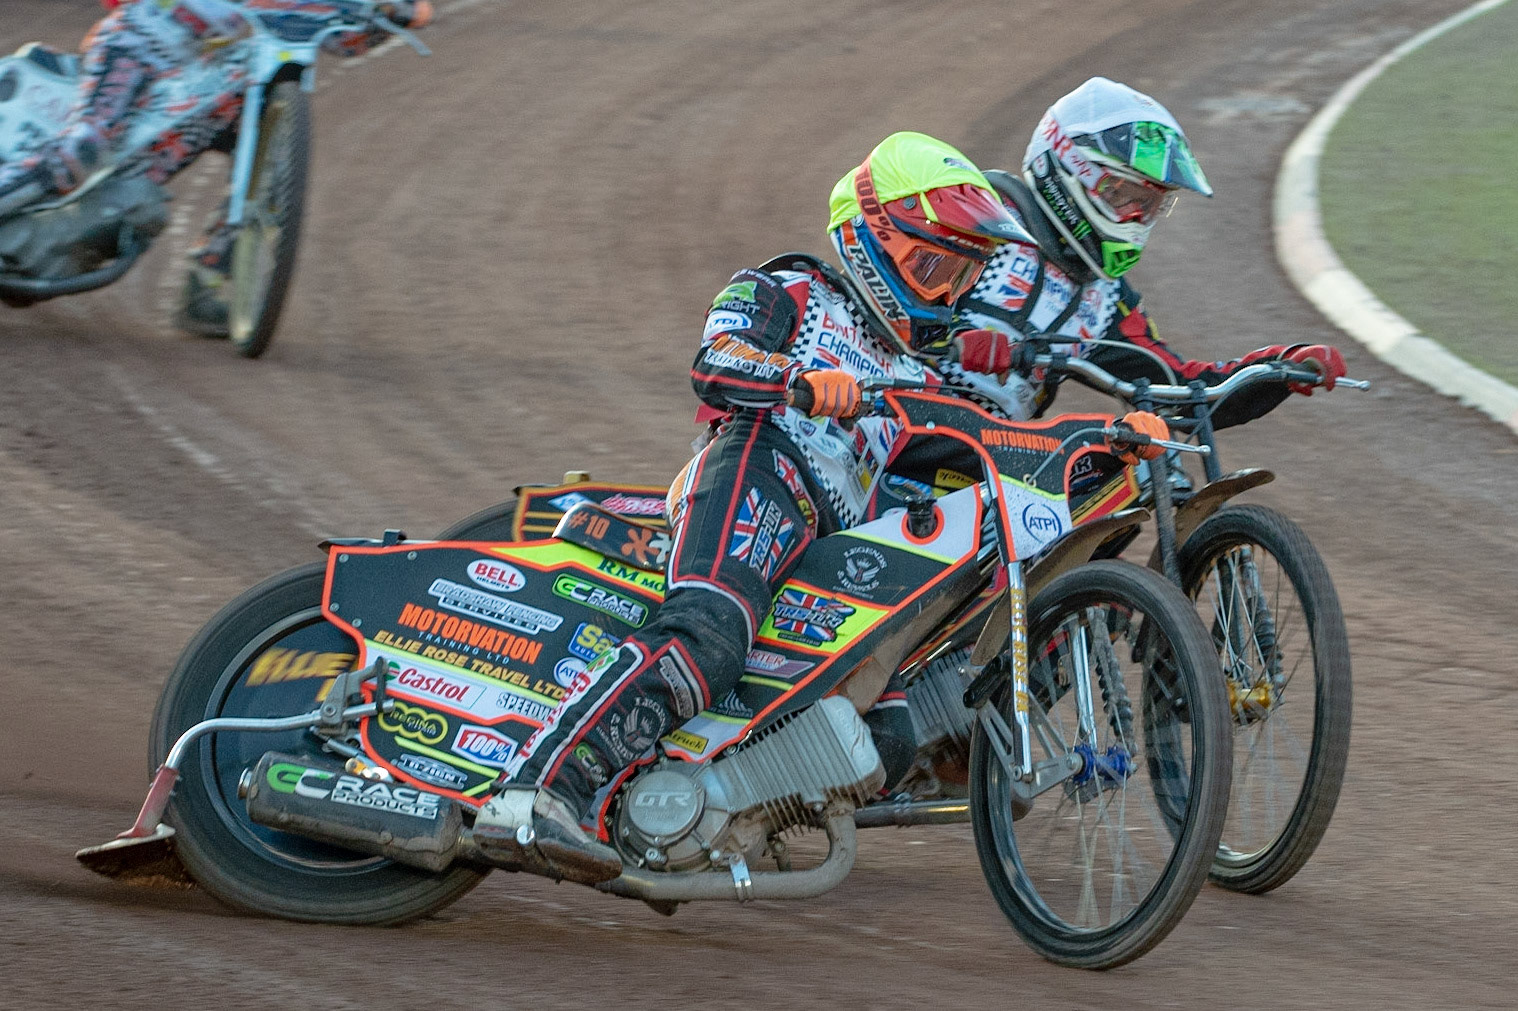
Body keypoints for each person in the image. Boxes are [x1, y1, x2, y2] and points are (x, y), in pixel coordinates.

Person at [479, 131, 1166, 885]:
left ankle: (720, 816)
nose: (946, 294)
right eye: (933, 266)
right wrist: (797, 383)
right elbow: (716, 363)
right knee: (707, 636)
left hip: (833, 539)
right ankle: (536, 792)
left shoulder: (913, 368)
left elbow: (987, 436)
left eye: (962, 276)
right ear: (874, 236)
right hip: (760, 466)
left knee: (892, 731)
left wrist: (1097, 441)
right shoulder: (791, 289)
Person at [0, 0, 432, 333]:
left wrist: (400, 12)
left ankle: (207, 281)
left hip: (219, 86)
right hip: (142, 46)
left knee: (268, 149)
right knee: (84, 148)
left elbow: (346, 37)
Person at [953, 76, 1346, 431]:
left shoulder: (1103, 301)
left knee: (1128, 456)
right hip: (901, 416)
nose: (1137, 217)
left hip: (994, 459)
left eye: (1151, 205)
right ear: (1073, 167)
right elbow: (890, 284)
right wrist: (947, 336)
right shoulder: (977, 214)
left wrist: (1278, 369)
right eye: (1125, 196)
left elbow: (1180, 390)